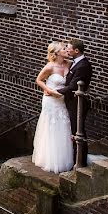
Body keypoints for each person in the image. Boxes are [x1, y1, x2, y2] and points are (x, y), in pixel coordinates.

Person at [31, 41, 74, 173]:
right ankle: (49, 158)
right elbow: (38, 80)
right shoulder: (50, 67)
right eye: (63, 49)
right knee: (51, 126)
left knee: (63, 125)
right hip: (50, 100)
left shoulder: (69, 64)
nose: (66, 50)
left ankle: (64, 157)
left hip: (62, 100)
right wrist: (49, 90)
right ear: (56, 53)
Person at [58, 38, 93, 161]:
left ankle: (80, 160)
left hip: (77, 103)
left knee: (77, 131)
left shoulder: (82, 65)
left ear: (76, 51)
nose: (67, 50)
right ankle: (75, 157)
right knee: (74, 130)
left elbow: (73, 86)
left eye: (69, 48)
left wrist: (55, 91)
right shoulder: (76, 62)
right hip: (72, 102)